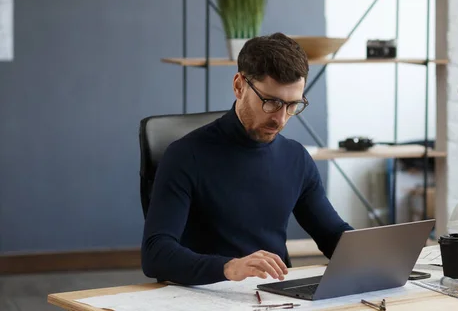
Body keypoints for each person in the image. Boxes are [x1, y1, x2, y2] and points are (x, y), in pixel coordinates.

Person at [141, 32, 353, 286]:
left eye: (292, 105)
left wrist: (381, 253)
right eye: (271, 102)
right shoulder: (185, 155)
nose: (281, 118)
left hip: (275, 298)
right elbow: (156, 253)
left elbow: (331, 234)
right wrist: (229, 267)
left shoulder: (296, 158)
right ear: (239, 86)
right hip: (209, 296)